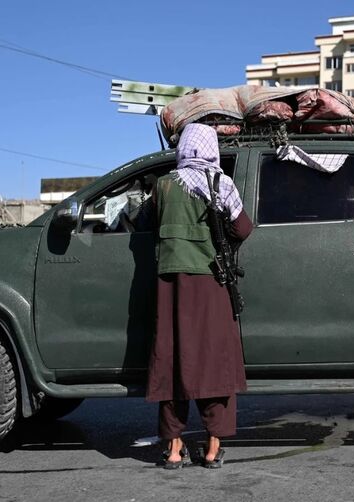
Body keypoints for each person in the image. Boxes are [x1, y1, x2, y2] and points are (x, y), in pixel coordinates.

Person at [146, 123, 253, 469]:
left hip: (171, 287)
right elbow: (243, 228)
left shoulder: (163, 185)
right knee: (214, 361)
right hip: (211, 285)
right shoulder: (221, 183)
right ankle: (211, 449)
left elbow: (146, 223)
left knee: (174, 359)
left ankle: (174, 450)